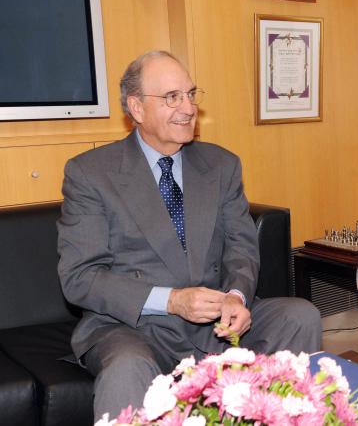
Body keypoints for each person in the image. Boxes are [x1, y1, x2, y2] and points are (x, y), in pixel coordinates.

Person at [57, 50, 322, 419]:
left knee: (299, 316)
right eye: (172, 97)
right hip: (133, 325)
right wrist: (171, 300)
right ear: (136, 107)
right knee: (126, 367)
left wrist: (235, 296)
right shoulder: (91, 174)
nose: (188, 107)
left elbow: (241, 246)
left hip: (216, 320)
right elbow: (79, 278)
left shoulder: (221, 164)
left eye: (191, 94)